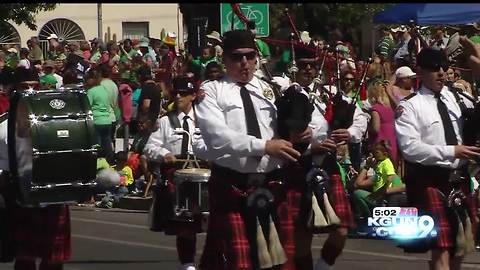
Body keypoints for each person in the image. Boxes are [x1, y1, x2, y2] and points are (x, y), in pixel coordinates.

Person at [395, 48, 480, 270]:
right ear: (420, 71)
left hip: (459, 180)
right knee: (440, 248)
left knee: (460, 247)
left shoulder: (458, 99)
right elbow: (410, 148)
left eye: (444, 67)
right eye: (434, 68)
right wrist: (452, 151)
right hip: (429, 182)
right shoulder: (410, 106)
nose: (441, 73)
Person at [287, 42, 355, 270]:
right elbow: (281, 134)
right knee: (303, 233)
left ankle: (323, 266)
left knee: (342, 229)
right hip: (300, 167)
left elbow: (360, 118)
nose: (308, 70)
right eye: (304, 65)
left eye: (312, 66)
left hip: (328, 167)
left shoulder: (328, 94)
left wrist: (350, 132)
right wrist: (310, 149)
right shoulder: (286, 94)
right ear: (296, 67)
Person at [0, 67, 71, 270]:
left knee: (53, 259)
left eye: (34, 87)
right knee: (25, 259)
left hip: (52, 194)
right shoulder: (3, 127)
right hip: (20, 196)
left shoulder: (56, 122)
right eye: (24, 87)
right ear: (12, 91)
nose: (30, 92)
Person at [143, 75, 200, 270]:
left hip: (203, 174)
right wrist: (164, 153)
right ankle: (187, 263)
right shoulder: (166, 121)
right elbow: (149, 147)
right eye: (176, 93)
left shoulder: (205, 120)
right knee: (185, 225)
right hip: (178, 178)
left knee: (214, 223)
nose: (178, 97)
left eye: (183, 94)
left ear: (193, 95)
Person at [352, 140, 406, 220]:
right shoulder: (379, 173)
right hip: (379, 200)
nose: (373, 156)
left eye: (375, 153)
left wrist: (383, 191)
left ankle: (373, 218)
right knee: (357, 193)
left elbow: (402, 187)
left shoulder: (389, 167)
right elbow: (358, 184)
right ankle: (370, 219)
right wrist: (367, 166)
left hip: (389, 199)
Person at [85, 68, 115, 163]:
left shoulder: (91, 91)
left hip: (97, 120)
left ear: (92, 79)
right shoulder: (103, 89)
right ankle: (111, 162)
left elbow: (87, 106)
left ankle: (97, 163)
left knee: (97, 145)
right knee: (107, 143)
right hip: (107, 120)